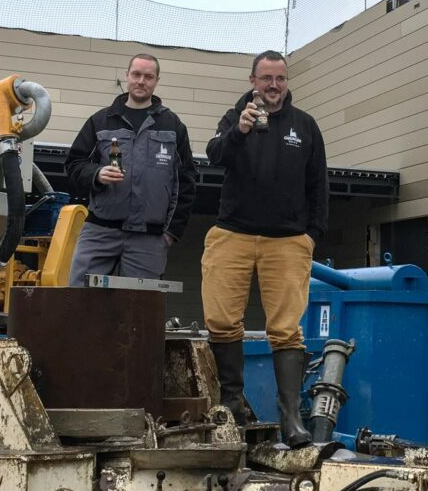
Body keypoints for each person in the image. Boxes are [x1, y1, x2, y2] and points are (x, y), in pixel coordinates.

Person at [201, 50, 328, 447]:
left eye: (280, 79)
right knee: (221, 321)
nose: (273, 85)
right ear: (252, 80)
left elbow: (318, 186)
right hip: (233, 233)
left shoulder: (305, 126)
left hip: (288, 240)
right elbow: (215, 154)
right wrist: (239, 130)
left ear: (286, 82)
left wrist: (311, 235)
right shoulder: (234, 117)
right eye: (266, 78)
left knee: (287, 331)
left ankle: (291, 418)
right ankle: (232, 409)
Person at [65, 54, 196, 285]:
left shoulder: (172, 126)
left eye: (148, 76)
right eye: (136, 74)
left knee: (139, 309)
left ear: (156, 81)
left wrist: (170, 232)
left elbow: (186, 181)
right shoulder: (101, 120)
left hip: (149, 238)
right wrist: (96, 174)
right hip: (99, 232)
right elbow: (74, 164)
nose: (141, 81)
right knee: (80, 298)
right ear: (127, 76)